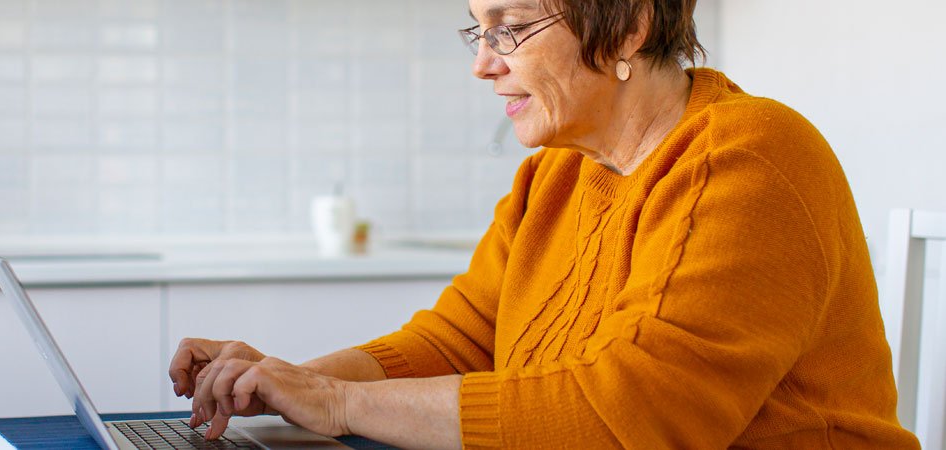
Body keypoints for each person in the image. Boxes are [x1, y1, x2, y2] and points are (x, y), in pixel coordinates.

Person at [168, 0, 922, 448]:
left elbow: (636, 417)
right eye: (478, 31)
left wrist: (337, 405)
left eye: (511, 27)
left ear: (627, 26)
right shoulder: (554, 175)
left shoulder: (749, 154)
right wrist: (288, 382)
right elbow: (457, 341)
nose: (483, 64)